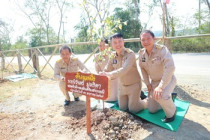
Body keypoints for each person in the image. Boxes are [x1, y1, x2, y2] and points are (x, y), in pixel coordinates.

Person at [100, 33, 147, 113]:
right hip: (122, 86)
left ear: (123, 42)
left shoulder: (130, 54)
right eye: (115, 42)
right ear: (111, 44)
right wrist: (102, 73)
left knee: (133, 109)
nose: (118, 44)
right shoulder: (112, 56)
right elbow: (107, 69)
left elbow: (124, 69)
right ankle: (135, 98)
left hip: (134, 85)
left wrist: (110, 75)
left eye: (120, 41)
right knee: (123, 108)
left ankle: (148, 100)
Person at [139, 30, 177, 123]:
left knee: (162, 96)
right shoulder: (141, 53)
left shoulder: (162, 50)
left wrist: (161, 87)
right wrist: (147, 83)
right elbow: (142, 69)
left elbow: (170, 67)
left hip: (168, 80)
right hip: (154, 82)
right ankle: (169, 97)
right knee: (152, 110)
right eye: (143, 40)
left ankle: (172, 112)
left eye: (148, 38)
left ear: (154, 39)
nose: (146, 42)